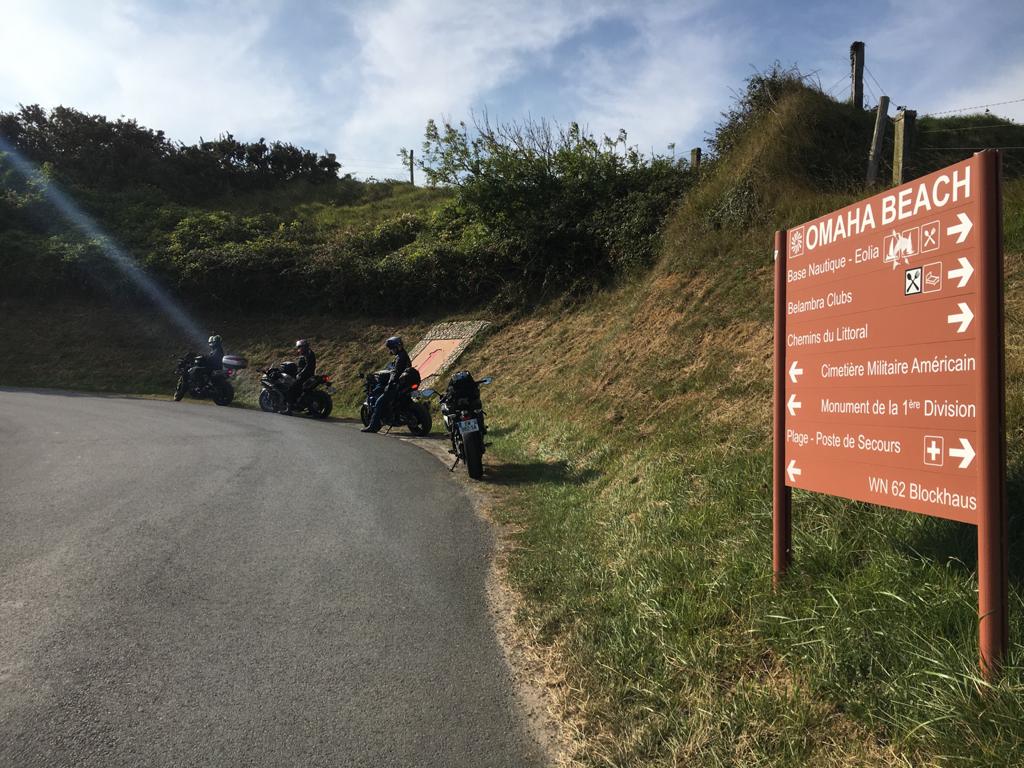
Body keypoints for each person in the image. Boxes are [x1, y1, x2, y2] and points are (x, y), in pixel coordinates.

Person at [362, 336, 410, 433]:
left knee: (379, 403)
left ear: (396, 347)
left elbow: (395, 373)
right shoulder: (404, 355)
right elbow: (395, 370)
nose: (391, 350)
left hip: (396, 385)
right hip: (404, 384)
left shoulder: (400, 358)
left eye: (391, 348)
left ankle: (373, 427)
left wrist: (389, 384)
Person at [285, 338, 316, 414]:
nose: (299, 349)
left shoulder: (307, 354)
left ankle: (289, 409)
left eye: (300, 347)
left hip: (304, 376)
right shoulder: (309, 353)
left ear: (304, 347)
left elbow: (308, 366)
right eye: (298, 348)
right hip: (308, 375)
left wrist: (301, 373)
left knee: (290, 389)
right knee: (300, 390)